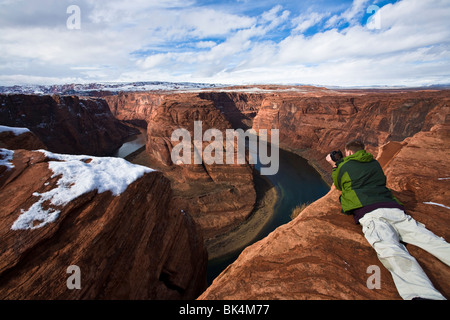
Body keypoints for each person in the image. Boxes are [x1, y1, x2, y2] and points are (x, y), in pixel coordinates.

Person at [326, 139, 450, 300]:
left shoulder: (344, 166)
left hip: (371, 212)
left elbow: (339, 184)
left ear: (348, 152)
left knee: (391, 250)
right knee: (429, 239)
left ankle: (424, 295)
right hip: (393, 208)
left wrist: (335, 165)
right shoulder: (375, 163)